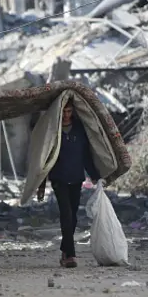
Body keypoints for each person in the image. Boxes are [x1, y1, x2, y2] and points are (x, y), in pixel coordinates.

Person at [37, 99, 101, 268]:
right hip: (59, 178)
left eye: (69, 111)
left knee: (72, 217)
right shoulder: (53, 131)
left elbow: (86, 155)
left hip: (76, 177)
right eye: (64, 112)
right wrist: (41, 183)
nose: (66, 115)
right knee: (66, 214)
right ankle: (71, 255)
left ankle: (65, 250)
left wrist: (94, 175)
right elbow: (43, 157)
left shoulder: (80, 130)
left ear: (73, 112)